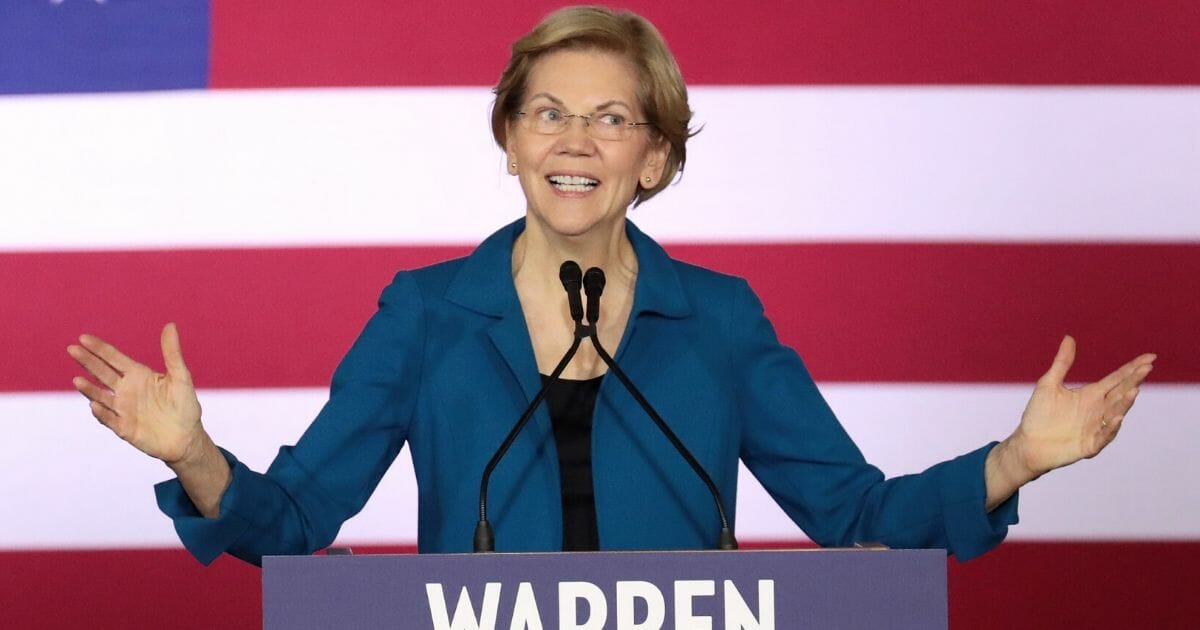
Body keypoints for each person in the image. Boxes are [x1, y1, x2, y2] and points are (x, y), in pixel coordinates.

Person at [67, 6, 1154, 566]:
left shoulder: (720, 320)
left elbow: (856, 516)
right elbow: (296, 523)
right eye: (547, 112)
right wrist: (194, 457)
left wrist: (1016, 462)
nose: (575, 139)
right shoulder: (426, 313)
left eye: (612, 118)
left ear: (655, 159)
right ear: (507, 138)